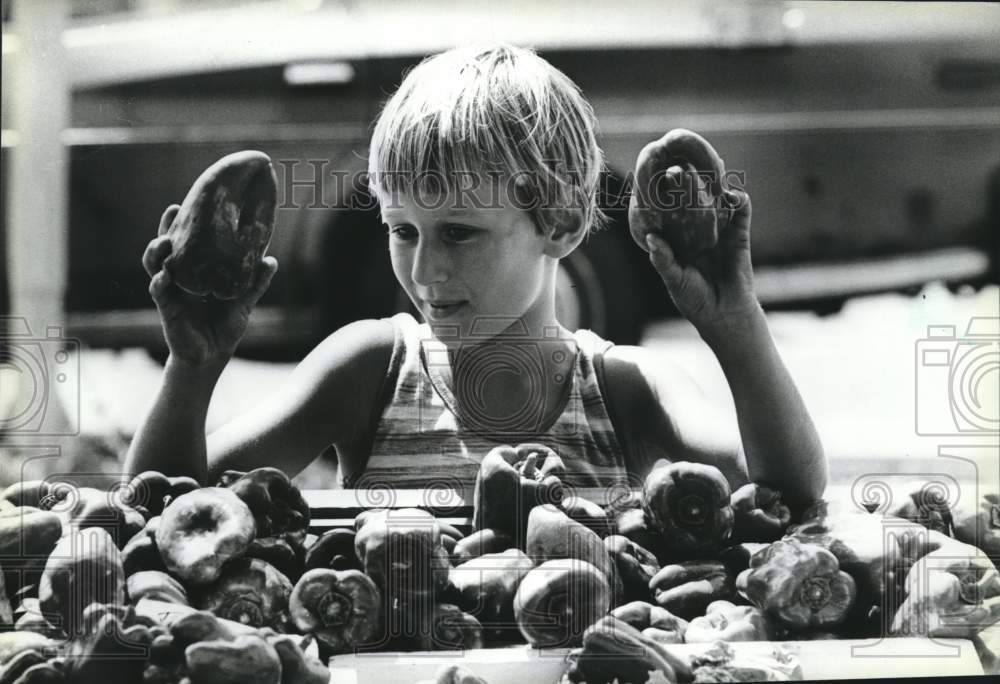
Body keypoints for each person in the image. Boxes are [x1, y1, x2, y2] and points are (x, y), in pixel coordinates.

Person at [125, 44, 826, 508]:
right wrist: (194, 367)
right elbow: (163, 508)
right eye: (403, 231)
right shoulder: (368, 371)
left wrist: (735, 325)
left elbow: (787, 494)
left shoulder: (627, 392)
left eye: (460, 232)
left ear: (562, 224)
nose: (425, 270)